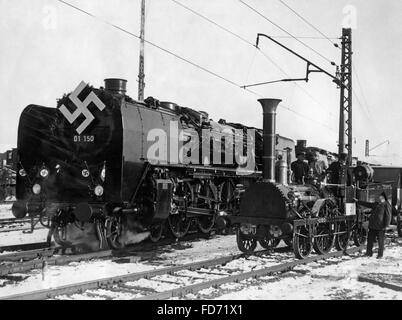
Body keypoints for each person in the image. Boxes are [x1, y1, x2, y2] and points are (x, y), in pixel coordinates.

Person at [355, 192, 392, 259]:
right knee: (370, 240)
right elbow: (367, 204)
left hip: (381, 227)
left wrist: (386, 226)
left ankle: (380, 255)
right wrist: (358, 201)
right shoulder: (376, 204)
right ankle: (368, 253)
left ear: (383, 198)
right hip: (372, 226)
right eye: (379, 197)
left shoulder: (386, 205)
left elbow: (388, 216)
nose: (379, 198)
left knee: (380, 241)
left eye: (380, 197)